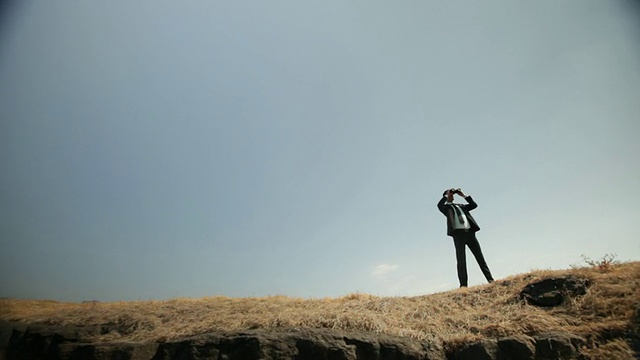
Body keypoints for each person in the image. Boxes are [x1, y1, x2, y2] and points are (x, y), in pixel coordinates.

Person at [437, 188, 494, 287]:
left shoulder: (461, 206)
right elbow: (439, 205)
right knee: (461, 260)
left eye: (452, 194)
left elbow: (474, 205)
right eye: (450, 194)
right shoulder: (446, 208)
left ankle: (490, 279)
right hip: (458, 235)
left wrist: (463, 195)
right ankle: (463, 285)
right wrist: (446, 195)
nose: (452, 195)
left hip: (470, 233)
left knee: (480, 257)